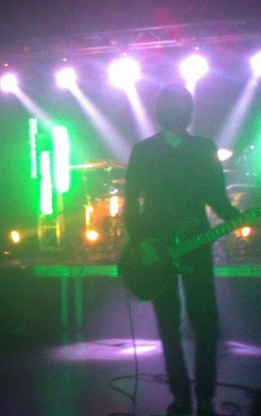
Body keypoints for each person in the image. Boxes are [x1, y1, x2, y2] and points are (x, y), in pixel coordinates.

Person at [123, 85, 240, 416]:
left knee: (205, 324)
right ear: (165, 110)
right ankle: (181, 397)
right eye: (176, 106)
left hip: (196, 246)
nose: (181, 112)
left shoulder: (204, 148)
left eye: (184, 106)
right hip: (156, 249)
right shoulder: (143, 151)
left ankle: (204, 397)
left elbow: (217, 197)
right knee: (168, 326)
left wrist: (237, 216)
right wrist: (140, 243)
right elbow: (130, 203)